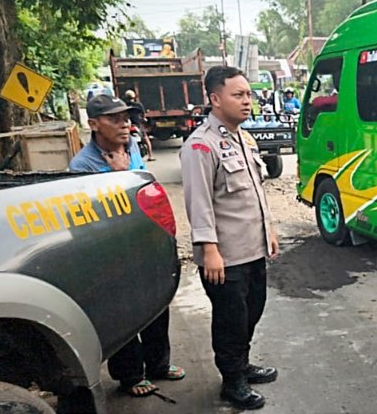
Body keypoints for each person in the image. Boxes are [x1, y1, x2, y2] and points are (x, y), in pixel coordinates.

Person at [69, 94, 185, 398]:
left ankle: (160, 364)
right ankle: (131, 374)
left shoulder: (132, 147)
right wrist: (118, 176)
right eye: (115, 119)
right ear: (93, 124)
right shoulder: (82, 166)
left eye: (127, 118)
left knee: (156, 304)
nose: (125, 125)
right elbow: (91, 217)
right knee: (123, 311)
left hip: (143, 241)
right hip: (110, 251)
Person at [180, 66, 280, 410]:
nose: (247, 101)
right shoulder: (200, 145)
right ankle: (232, 381)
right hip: (225, 257)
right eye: (238, 95)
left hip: (253, 249)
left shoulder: (244, 138)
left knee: (252, 311)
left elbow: (255, 193)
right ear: (214, 99)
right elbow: (199, 202)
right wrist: (209, 250)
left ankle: (242, 365)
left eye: (249, 94)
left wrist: (270, 232)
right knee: (231, 321)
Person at [124, 89, 155, 161]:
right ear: (134, 96)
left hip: (128, 125)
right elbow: (143, 115)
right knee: (146, 139)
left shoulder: (123, 105)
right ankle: (150, 156)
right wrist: (143, 118)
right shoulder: (138, 105)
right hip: (137, 125)